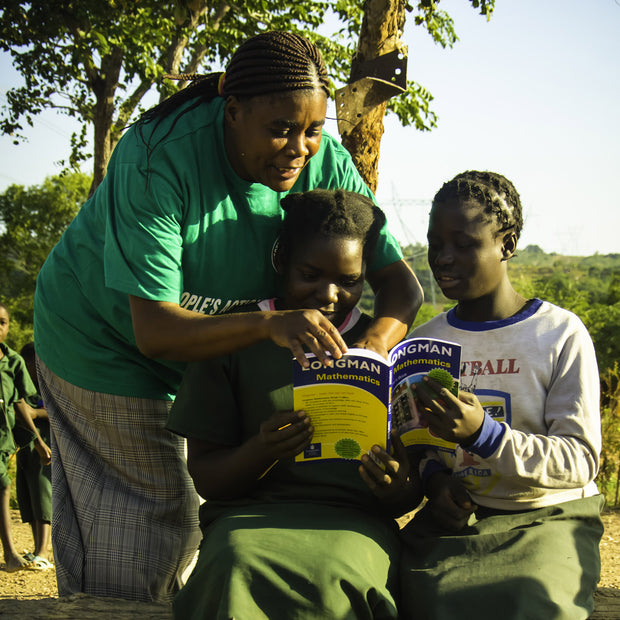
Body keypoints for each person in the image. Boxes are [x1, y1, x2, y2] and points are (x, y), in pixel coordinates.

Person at [33, 31, 422, 603]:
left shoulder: (324, 163)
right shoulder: (159, 160)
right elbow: (156, 330)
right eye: (281, 129)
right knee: (145, 529)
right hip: (107, 347)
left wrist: (373, 352)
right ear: (232, 111)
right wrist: (269, 325)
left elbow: (401, 286)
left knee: (193, 530)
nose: (299, 148)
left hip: (212, 359)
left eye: (313, 130)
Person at [167, 188, 417, 619]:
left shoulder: (384, 350)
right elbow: (206, 479)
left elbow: (408, 493)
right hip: (249, 520)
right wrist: (262, 451)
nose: (330, 295)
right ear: (282, 261)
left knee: (336, 575)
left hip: (355, 524)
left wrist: (395, 484)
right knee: (235, 565)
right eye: (310, 274)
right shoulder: (236, 338)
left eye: (350, 281)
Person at [390, 171, 603, 619]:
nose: (443, 259)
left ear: (507, 244)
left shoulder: (558, 334)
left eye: (464, 245)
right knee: (420, 600)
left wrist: (486, 435)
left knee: (531, 603)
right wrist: (435, 482)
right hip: (459, 521)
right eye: (435, 244)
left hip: (549, 516)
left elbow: (580, 458)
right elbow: (424, 447)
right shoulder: (427, 342)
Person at [0, 303, 51, 572]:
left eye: (3, 322)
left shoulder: (16, 365)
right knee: (22, 493)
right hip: (19, 446)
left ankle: (37, 551)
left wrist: (38, 432)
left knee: (36, 492)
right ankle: (24, 551)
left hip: (26, 444)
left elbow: (24, 403)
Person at [15, 342, 53, 571]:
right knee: (27, 496)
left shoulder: (49, 385)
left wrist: (35, 413)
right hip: (24, 446)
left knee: (42, 494)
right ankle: (35, 549)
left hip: (45, 443)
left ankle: (43, 552)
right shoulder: (21, 386)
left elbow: (60, 408)